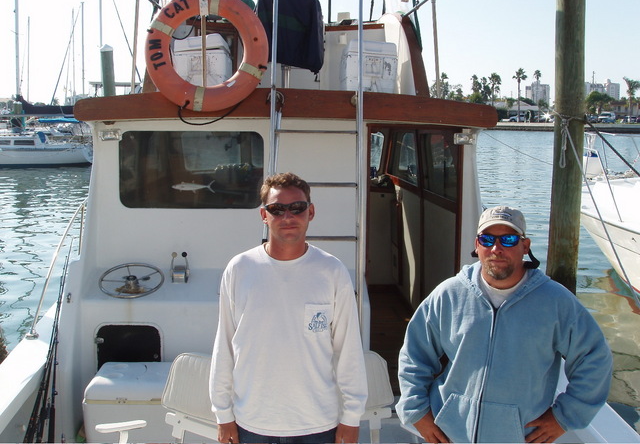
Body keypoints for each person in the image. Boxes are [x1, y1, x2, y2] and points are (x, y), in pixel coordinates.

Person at [396, 205, 613, 443]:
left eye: (508, 239)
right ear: (477, 245)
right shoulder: (449, 294)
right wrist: (417, 411)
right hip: (450, 433)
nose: (496, 249)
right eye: (487, 239)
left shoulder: (556, 302)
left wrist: (565, 417)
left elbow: (594, 358)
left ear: (525, 246)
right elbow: (413, 355)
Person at [210, 172, 368, 444]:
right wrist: (223, 415)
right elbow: (224, 345)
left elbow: (348, 350)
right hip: (252, 423)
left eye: (297, 208)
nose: (288, 217)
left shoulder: (332, 271)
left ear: (311, 212)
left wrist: (352, 417)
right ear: (264, 215)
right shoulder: (239, 269)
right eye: (276, 209)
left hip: (319, 424)